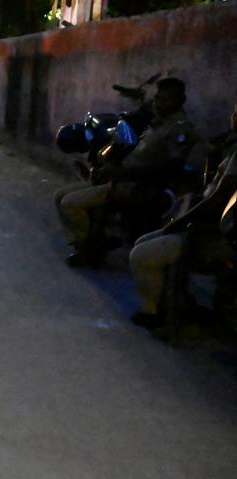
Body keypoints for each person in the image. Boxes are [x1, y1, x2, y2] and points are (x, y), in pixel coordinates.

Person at [55, 78, 202, 267]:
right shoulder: (158, 121)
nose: (159, 103)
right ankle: (86, 242)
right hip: (120, 178)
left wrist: (120, 173)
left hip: (134, 185)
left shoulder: (179, 128)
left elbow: (171, 166)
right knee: (60, 195)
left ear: (180, 101)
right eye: (157, 98)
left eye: (167, 100)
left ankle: (91, 247)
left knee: (69, 203)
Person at [128, 105, 237, 330]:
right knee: (144, 242)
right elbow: (211, 188)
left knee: (142, 255)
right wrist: (213, 156)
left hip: (218, 234)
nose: (233, 117)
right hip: (210, 225)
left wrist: (182, 221)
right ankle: (179, 301)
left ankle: (154, 312)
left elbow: (219, 199)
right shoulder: (232, 147)